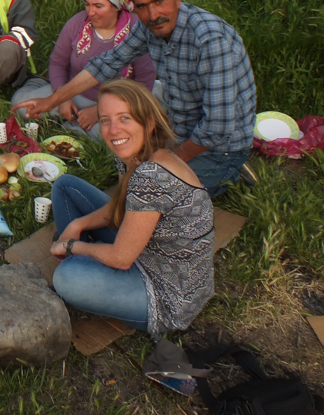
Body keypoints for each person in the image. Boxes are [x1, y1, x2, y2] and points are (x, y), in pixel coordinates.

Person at [15, 0, 256, 196]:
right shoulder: (147, 26)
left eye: (160, 1)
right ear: (134, 8)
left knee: (148, 195)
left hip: (220, 147)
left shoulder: (210, 41)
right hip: (179, 129)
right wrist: (52, 100)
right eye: (143, 6)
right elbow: (106, 64)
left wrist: (171, 161)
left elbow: (217, 127)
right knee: (129, 175)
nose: (153, 14)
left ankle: (228, 172)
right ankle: (185, 173)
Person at [49, 78, 214, 336]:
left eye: (124, 118)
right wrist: (77, 224)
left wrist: (71, 245)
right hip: (147, 250)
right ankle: (88, 258)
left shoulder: (151, 177)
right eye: (105, 120)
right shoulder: (135, 156)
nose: (114, 130)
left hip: (168, 297)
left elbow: (122, 258)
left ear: (148, 123)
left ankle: (82, 262)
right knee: (65, 186)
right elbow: (121, 207)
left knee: (66, 278)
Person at [11, 0, 156, 140]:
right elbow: (58, 62)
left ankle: (72, 127)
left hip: (118, 104)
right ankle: (61, 111)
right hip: (73, 93)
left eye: (98, 6)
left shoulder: (137, 31)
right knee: (20, 104)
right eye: (87, 4)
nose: (91, 12)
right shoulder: (78, 23)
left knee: (109, 136)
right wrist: (62, 97)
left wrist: (99, 111)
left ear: (116, 6)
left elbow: (144, 85)